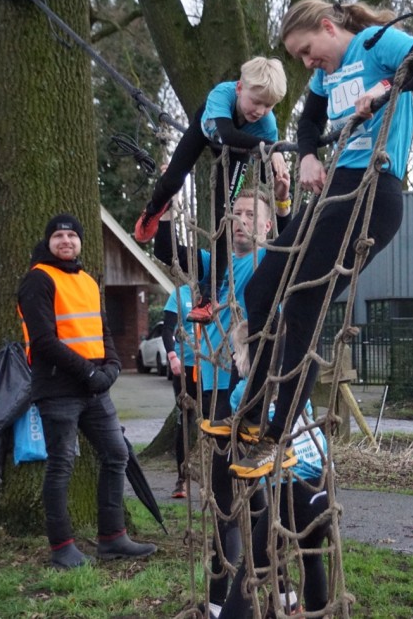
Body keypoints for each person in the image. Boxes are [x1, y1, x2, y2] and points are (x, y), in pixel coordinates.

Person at [213, 0, 413, 479]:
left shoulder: (377, 44)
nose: (307, 63)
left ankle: (278, 435)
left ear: (327, 27)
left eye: (307, 51)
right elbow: (308, 122)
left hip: (372, 192)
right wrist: (306, 155)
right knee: (261, 290)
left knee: (304, 304)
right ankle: (254, 411)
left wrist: (385, 88)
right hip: (334, 192)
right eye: (299, 58)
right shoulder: (327, 77)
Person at [154, 186, 290, 611]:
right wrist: (164, 202)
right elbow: (167, 251)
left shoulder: (268, 260)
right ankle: (266, 587)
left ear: (266, 225)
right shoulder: (217, 265)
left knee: (240, 493)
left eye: (251, 215)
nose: (241, 221)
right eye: (236, 213)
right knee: (233, 493)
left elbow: (293, 241)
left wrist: (283, 203)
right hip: (213, 387)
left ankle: (243, 594)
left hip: (248, 392)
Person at [17, 214, 157, 569]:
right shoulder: (37, 279)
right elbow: (44, 341)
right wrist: (90, 372)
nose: (66, 241)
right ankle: (62, 548)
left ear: (80, 242)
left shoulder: (88, 281)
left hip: (94, 390)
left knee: (116, 454)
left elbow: (102, 330)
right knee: (61, 464)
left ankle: (112, 538)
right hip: (57, 389)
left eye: (72, 236)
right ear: (48, 242)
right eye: (58, 236)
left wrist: (112, 366)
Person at [134, 57, 291, 324]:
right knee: (172, 180)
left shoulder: (267, 125)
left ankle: (210, 297)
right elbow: (227, 134)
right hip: (206, 132)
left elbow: (266, 173)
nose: (260, 111)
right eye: (256, 102)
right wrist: (268, 147)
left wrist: (278, 168)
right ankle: (153, 210)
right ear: (240, 88)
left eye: (268, 106)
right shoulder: (223, 94)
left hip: (237, 152)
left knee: (223, 216)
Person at [218, 323, 331, 619]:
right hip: (324, 487)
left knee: (251, 569)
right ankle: (311, 610)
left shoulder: (245, 394)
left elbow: (234, 410)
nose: (232, 356)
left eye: (236, 351)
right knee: (311, 555)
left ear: (249, 357)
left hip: (293, 491)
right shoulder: (295, 390)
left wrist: (243, 370)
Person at [161, 283, 198, 498]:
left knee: (217, 420)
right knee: (184, 420)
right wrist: (172, 356)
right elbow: (167, 329)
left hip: (211, 366)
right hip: (186, 367)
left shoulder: (218, 289)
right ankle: (182, 479)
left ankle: (216, 477)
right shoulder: (180, 294)